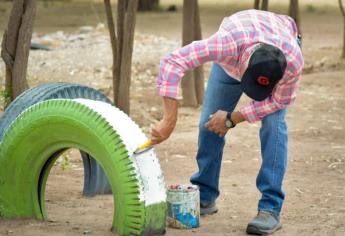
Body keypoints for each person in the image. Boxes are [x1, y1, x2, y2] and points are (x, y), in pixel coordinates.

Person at [151, 9, 304, 235]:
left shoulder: (292, 62)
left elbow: (276, 103)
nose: (254, 93)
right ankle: (205, 194)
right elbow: (174, 61)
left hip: (280, 40)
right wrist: (169, 120)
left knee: (274, 126)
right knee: (209, 122)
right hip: (237, 49)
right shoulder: (226, 45)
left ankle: (270, 208)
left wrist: (232, 119)